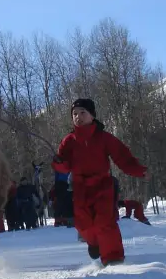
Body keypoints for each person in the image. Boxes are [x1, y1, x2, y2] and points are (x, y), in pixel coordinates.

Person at [51, 98, 148, 266]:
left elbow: (122, 157)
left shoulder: (104, 138)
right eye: (74, 114)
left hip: (102, 185)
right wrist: (59, 163)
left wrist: (139, 170)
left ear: (92, 116)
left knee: (105, 222)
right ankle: (94, 243)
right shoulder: (69, 141)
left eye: (83, 113)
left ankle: (113, 258)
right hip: (80, 188)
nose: (78, 117)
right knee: (83, 224)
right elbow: (63, 166)